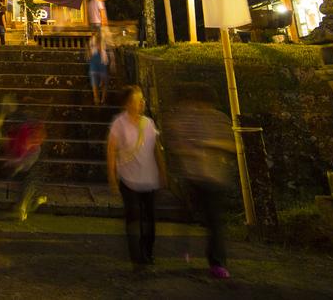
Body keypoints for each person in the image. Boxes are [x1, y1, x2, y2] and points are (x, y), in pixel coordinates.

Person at [163, 83, 236, 280]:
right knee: (187, 217)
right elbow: (176, 143)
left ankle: (217, 262)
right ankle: (186, 249)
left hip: (213, 177)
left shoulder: (220, 120)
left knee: (214, 223)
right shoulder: (188, 119)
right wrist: (190, 151)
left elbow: (232, 145)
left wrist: (208, 145)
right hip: (194, 175)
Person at [107, 85, 166, 269]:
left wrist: (163, 170)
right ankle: (137, 256)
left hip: (149, 179)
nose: (141, 103)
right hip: (129, 179)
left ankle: (147, 252)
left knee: (149, 220)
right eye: (137, 100)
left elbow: (156, 148)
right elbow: (111, 150)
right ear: (127, 104)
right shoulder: (119, 123)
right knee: (134, 219)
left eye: (142, 99)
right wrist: (112, 177)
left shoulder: (148, 123)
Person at [88, 36, 109, 106]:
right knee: (101, 84)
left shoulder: (94, 50)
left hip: (95, 67)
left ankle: (97, 99)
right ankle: (100, 99)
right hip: (99, 67)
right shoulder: (101, 51)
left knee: (96, 84)